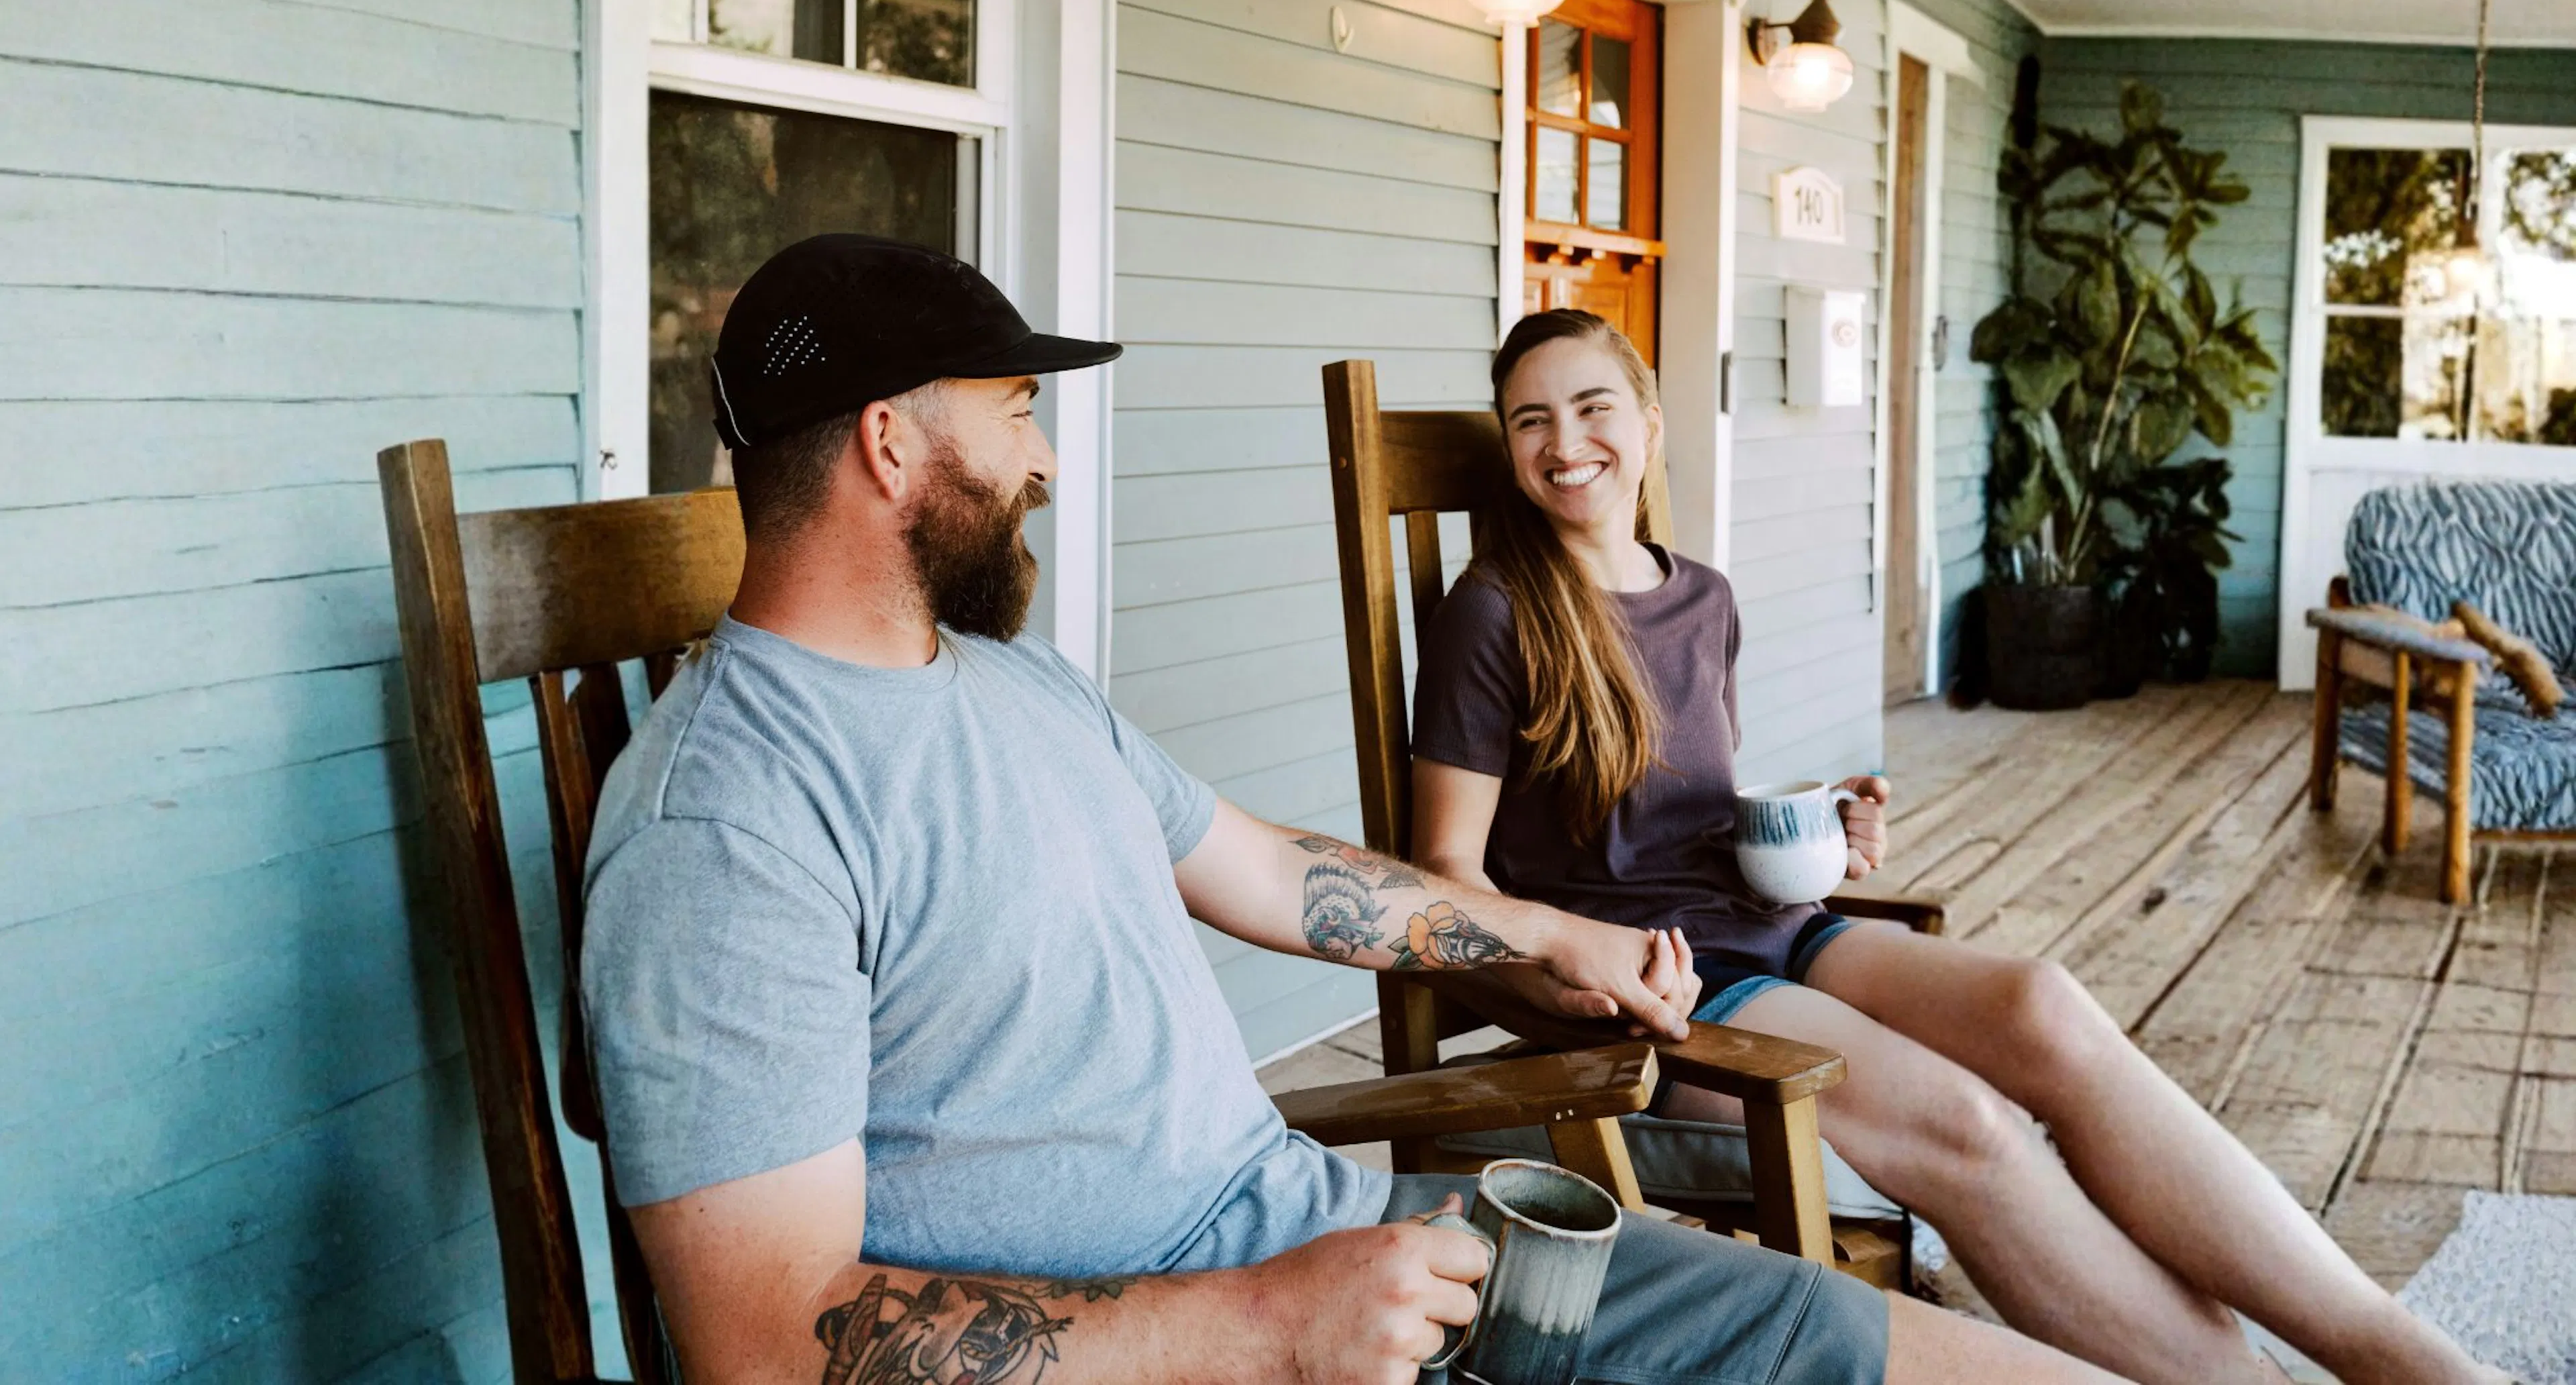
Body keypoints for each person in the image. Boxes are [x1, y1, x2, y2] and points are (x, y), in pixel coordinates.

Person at [578, 236, 2119, 1385]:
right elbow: (768, 1339)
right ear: (889, 441)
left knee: (1913, 1357)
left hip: (1349, 1244)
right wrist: (1264, 1320)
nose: (1045, 457)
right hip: (1228, 1332)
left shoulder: (1013, 686)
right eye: (1018, 408)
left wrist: (1544, 930)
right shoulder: (723, 822)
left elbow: (1266, 867)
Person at [1409, 307, 2506, 1385]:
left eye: (1592, 407)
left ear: (1649, 420)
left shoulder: (1701, 595)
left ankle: (2404, 1359)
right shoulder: (1497, 612)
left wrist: (1819, 832)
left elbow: (1682, 813)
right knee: (1966, 1121)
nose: (1565, 443)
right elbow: (1447, 874)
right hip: (1662, 989)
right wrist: (1562, 977)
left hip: (1771, 924)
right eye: (1529, 421)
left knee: (2046, 1004)